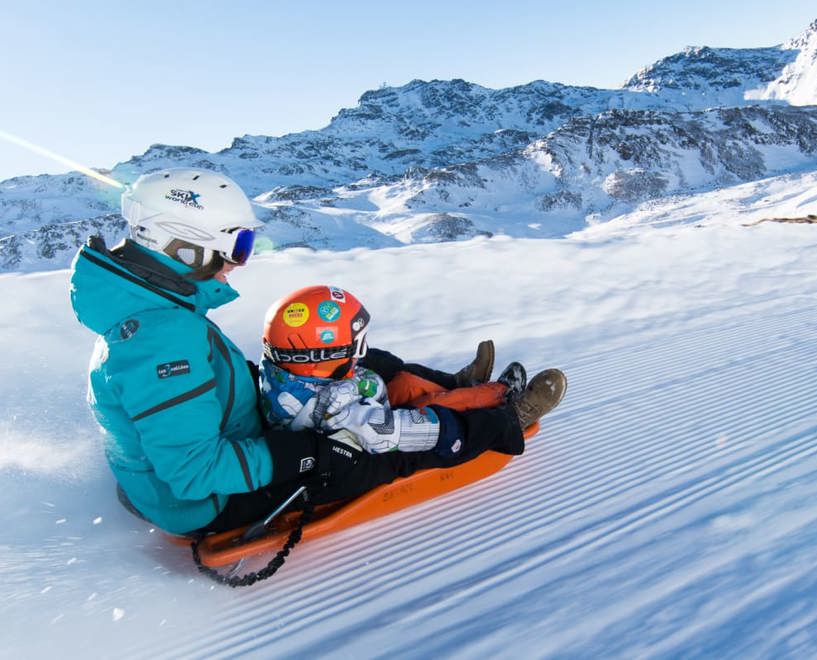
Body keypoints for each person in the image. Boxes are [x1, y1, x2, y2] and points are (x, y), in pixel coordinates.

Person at [69, 167, 567, 537]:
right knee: (375, 451)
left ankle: (456, 386)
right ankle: (502, 423)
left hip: (227, 441)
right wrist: (309, 455)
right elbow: (195, 473)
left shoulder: (156, 313)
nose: (238, 263)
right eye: (236, 246)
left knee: (362, 362)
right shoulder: (161, 340)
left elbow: (187, 397)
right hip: (207, 501)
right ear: (183, 248)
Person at [259, 284, 535, 455]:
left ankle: (458, 383)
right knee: (433, 407)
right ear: (323, 355)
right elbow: (396, 430)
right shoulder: (342, 417)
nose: (361, 351)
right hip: (379, 433)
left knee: (403, 378)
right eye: (355, 346)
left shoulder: (286, 369)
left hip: (362, 398)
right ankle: (503, 402)